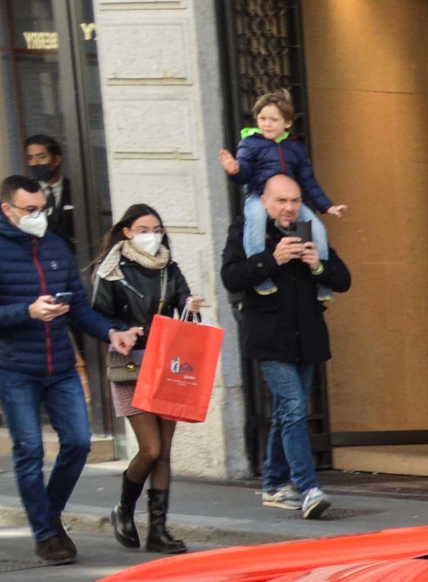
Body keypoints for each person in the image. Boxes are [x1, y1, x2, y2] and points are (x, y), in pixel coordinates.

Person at [0, 175, 143, 563]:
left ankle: (49, 513)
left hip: (59, 365)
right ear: (8, 210)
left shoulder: (54, 245)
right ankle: (46, 534)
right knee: (28, 450)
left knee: (78, 442)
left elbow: (77, 307)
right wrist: (28, 311)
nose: (39, 216)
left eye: (42, 208)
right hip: (15, 369)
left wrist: (111, 332)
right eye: (30, 210)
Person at [219, 173, 352, 520]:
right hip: (268, 336)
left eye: (294, 200)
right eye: (281, 201)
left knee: (286, 411)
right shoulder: (247, 231)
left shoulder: (310, 230)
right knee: (294, 407)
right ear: (264, 202)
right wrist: (270, 259)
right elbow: (231, 277)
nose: (289, 208)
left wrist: (318, 265)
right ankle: (308, 488)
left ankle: (275, 484)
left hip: (306, 336)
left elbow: (343, 279)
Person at [89, 205, 204, 554]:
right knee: (150, 448)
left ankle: (158, 529)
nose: (151, 235)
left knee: (165, 452)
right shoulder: (112, 270)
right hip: (130, 364)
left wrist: (191, 303)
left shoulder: (168, 266)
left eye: (156, 228)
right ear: (127, 232)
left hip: (166, 364)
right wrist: (121, 331)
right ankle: (124, 508)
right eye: (142, 228)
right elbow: (96, 316)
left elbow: (183, 297)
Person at [219, 89, 344, 295]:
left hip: (289, 198)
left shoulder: (294, 147)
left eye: (273, 119)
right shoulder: (250, 143)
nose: (267, 124)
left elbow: (308, 180)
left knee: (318, 229)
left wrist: (327, 205)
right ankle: (262, 276)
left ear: (287, 123)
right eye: (262, 118)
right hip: (258, 196)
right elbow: (244, 174)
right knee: (256, 221)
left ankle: (321, 280)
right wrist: (235, 170)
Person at [23, 135, 75, 251]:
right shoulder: (25, 192)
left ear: (56, 160)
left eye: (41, 157)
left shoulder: (76, 190)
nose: (35, 163)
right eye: (30, 158)